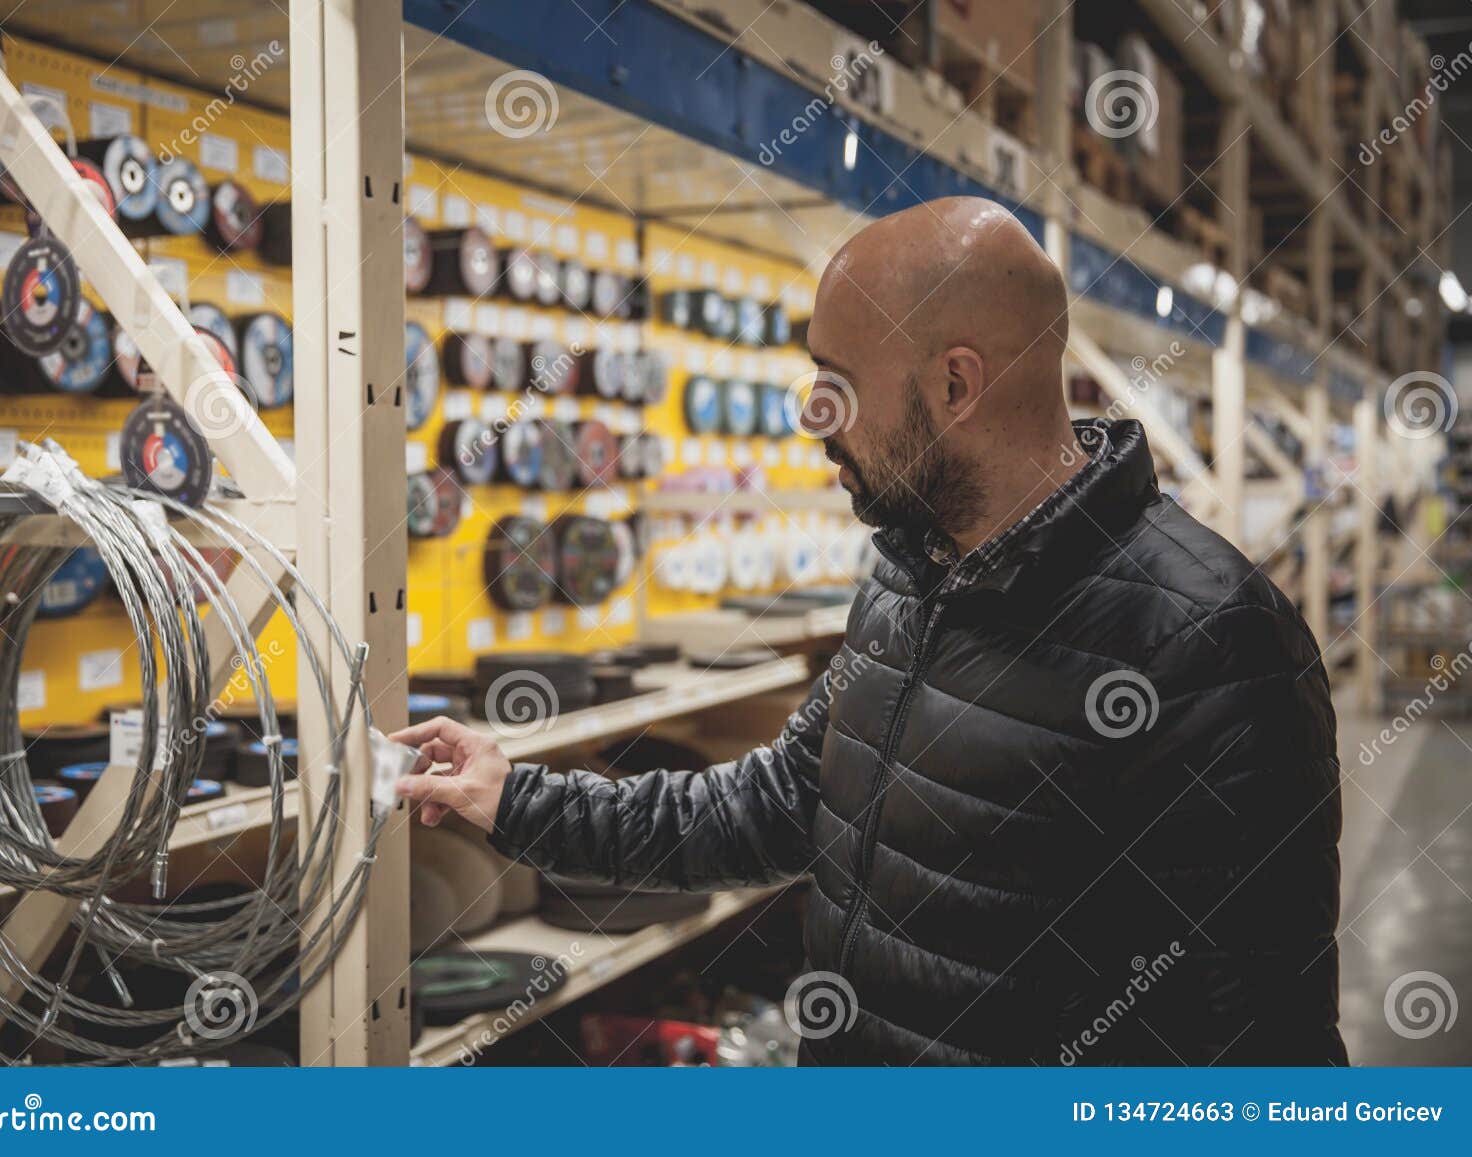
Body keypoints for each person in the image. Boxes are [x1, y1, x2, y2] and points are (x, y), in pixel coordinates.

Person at [392, 196, 1346, 1066]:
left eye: (835, 383)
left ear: (957, 384)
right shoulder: (908, 578)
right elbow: (772, 807)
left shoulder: (1213, 642)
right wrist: (516, 800)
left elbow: (1258, 1049)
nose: (814, 420)